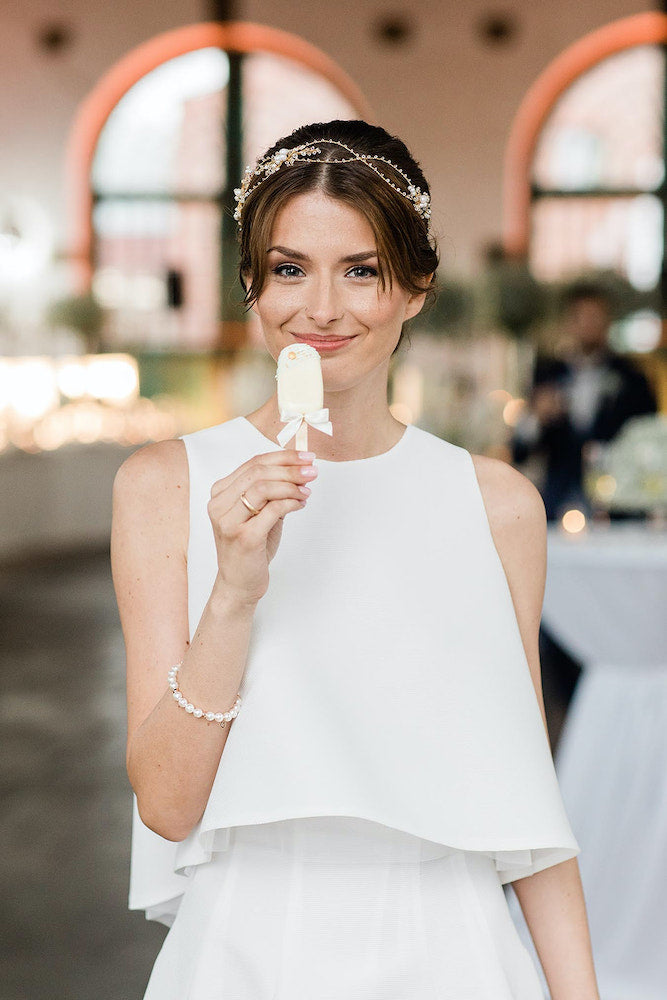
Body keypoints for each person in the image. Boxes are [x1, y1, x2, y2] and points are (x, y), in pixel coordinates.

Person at [111, 120, 599, 999]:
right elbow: (167, 805)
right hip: (246, 952)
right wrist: (234, 593)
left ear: (416, 289)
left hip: (455, 951)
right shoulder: (166, 488)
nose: (320, 309)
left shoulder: (495, 507)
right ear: (252, 287)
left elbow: (525, 800)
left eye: (361, 270)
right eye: (289, 268)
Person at [510, 281, 658, 522]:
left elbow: (648, 439)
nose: (590, 325)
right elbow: (520, 450)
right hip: (557, 502)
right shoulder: (547, 374)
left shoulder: (634, 378)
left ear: (608, 321)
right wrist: (535, 417)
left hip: (618, 508)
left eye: (596, 317)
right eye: (582, 317)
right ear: (569, 322)